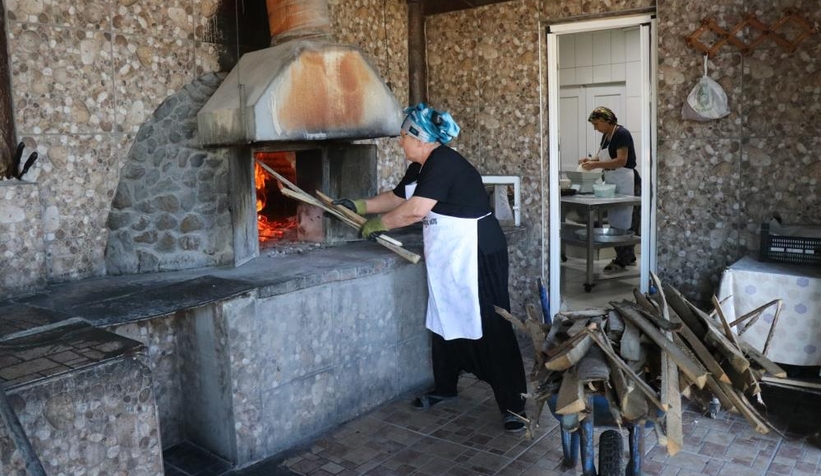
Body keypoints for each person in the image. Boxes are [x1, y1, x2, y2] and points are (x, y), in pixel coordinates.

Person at [334, 103, 528, 433]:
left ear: (420, 138)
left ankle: (514, 405)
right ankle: (446, 387)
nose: (400, 142)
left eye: (403, 136)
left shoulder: (444, 162)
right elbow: (399, 198)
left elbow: (415, 210)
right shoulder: (421, 166)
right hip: (450, 253)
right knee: (443, 313)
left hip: (476, 251)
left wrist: (379, 224)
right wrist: (360, 205)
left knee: (491, 322)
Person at [579, 106, 638, 270]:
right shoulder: (606, 136)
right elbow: (602, 156)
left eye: (596, 124)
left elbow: (621, 161)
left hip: (626, 181)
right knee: (615, 221)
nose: (595, 128)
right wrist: (589, 161)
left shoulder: (622, 134)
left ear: (606, 121)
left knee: (625, 221)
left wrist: (595, 165)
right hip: (613, 181)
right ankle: (626, 257)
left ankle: (623, 259)